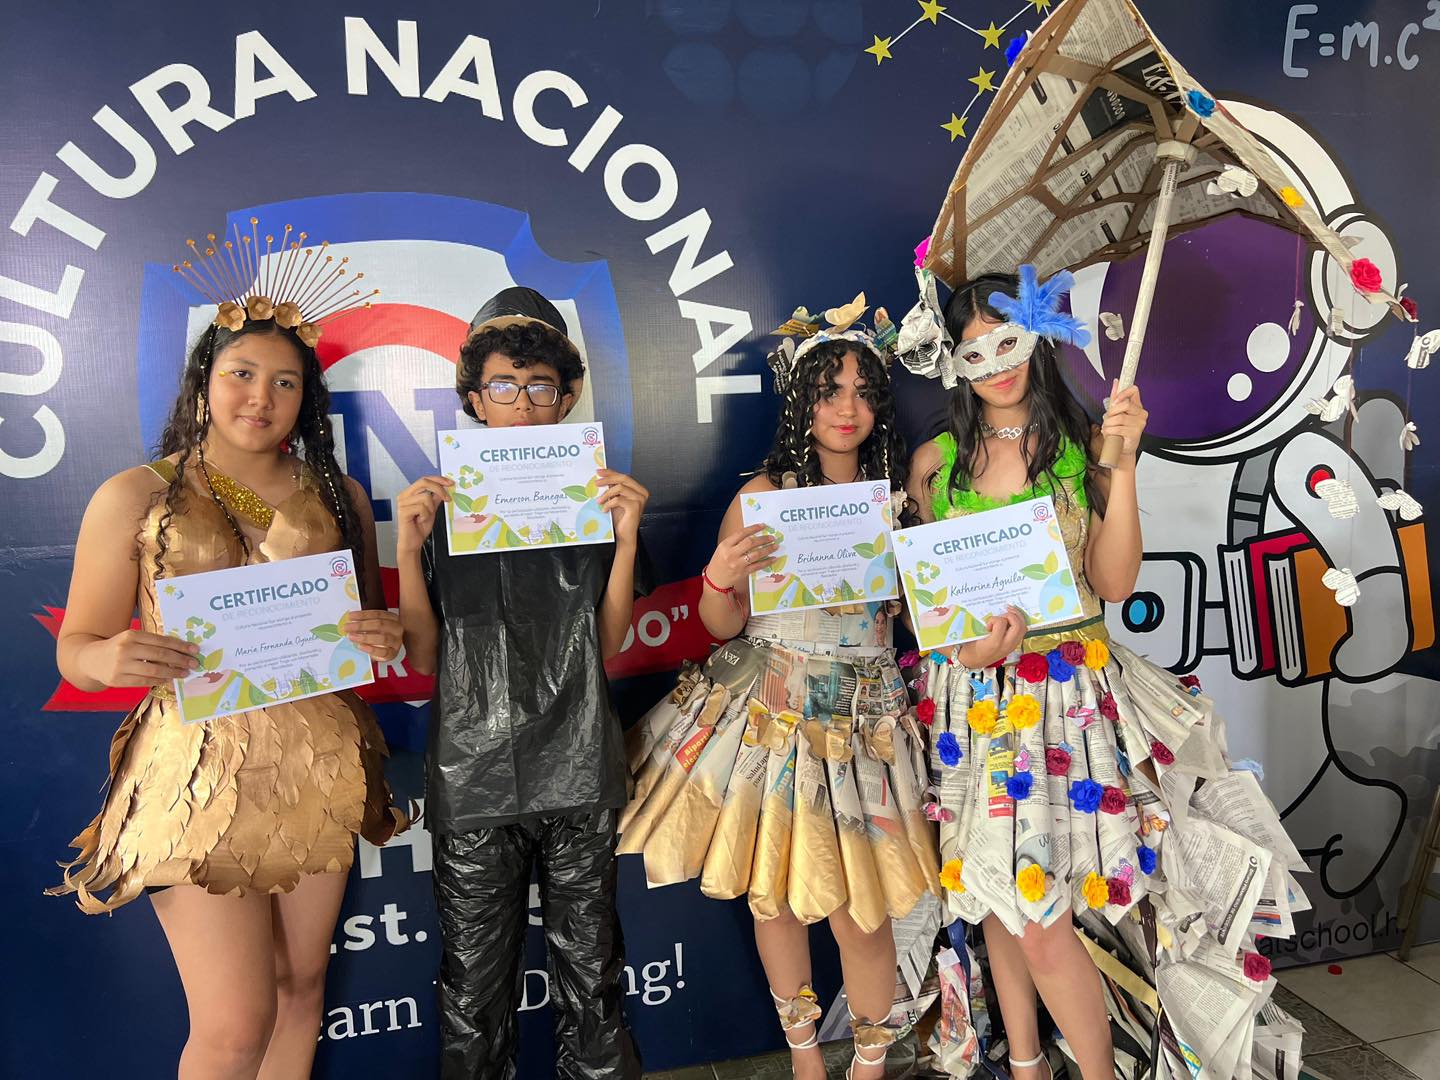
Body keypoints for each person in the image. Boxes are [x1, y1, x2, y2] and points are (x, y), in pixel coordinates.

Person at [899, 265, 1298, 1079]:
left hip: (1067, 699)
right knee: (996, 896)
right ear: (954, 364)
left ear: (1039, 336)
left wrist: (1127, 463)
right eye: (974, 352)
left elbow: (1114, 585)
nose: (996, 365)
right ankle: (1025, 1065)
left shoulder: (1085, 447)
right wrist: (965, 652)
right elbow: (926, 606)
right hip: (975, 699)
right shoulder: (935, 463)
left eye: (1009, 342)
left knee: (1040, 909)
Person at [48, 224, 407, 1080]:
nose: (260, 397)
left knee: (301, 985)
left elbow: (366, 622)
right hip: (195, 767)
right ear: (204, 381)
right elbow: (77, 647)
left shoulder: (341, 495)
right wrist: (105, 660)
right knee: (236, 1025)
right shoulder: (134, 495)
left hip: (318, 757)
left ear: (305, 399)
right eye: (242, 373)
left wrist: (381, 633)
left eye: (284, 382)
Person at [621, 301, 941, 1080]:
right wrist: (718, 578)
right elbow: (721, 624)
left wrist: (916, 593)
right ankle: (804, 1058)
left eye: (862, 393)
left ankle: (868, 1063)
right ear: (804, 401)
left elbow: (924, 615)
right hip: (772, 706)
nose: (846, 409)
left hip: (865, 717)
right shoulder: (763, 494)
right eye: (830, 392)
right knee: (778, 892)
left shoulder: (898, 499)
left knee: (862, 908)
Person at [394, 287, 648, 1080]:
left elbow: (608, 642)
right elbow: (425, 659)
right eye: (504, 386)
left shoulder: (596, 499)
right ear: (475, 398)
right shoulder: (439, 508)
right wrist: (406, 550)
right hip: (474, 772)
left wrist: (626, 538)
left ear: (566, 397)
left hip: (579, 760)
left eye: (541, 387)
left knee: (592, 977)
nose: (524, 405)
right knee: (473, 991)